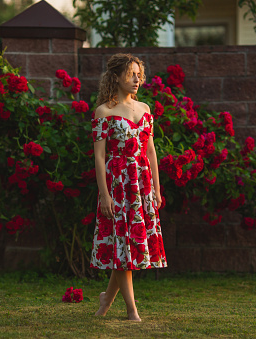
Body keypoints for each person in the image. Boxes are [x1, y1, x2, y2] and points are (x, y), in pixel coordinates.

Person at [90, 53, 167, 322]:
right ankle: (132, 311)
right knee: (121, 245)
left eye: (139, 74)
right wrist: (104, 194)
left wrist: (156, 189)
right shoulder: (104, 112)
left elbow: (151, 151)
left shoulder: (145, 109)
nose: (137, 79)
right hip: (117, 184)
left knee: (126, 247)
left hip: (141, 184)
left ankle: (104, 302)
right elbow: (99, 157)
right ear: (116, 76)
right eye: (131, 74)